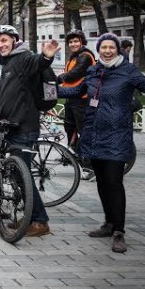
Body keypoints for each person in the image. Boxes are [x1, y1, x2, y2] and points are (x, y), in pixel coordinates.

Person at [60, 33, 145, 253]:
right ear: (99, 49)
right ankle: (108, 223)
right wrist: (47, 90)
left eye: (111, 47)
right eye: (103, 47)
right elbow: (76, 90)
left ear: (118, 49)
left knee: (114, 182)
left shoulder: (128, 71)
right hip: (94, 134)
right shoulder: (93, 71)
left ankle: (119, 231)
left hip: (117, 135)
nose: (107, 50)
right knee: (102, 182)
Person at [0, 24, 61, 238]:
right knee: (18, 173)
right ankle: (31, 217)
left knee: (23, 175)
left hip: (24, 125)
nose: (1, 45)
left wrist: (46, 56)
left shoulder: (23, 58)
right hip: (12, 125)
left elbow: (37, 62)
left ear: (14, 40)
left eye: (4, 40)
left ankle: (40, 221)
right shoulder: (9, 62)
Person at [57, 29, 96, 179]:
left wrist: (58, 79)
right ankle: (75, 157)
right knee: (69, 128)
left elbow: (75, 74)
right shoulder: (75, 57)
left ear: (82, 42)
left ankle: (90, 167)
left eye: (76, 41)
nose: (73, 44)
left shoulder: (85, 56)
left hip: (83, 99)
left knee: (83, 131)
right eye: (71, 42)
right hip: (71, 98)